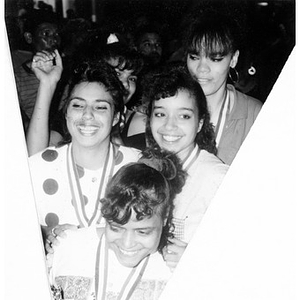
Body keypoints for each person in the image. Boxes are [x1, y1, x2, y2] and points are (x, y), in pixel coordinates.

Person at [28, 54, 141, 254]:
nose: (87, 115)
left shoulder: (138, 166)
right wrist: (43, 236)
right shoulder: (39, 167)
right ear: (66, 113)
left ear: (116, 117)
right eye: (78, 105)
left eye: (100, 107)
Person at [48, 148, 186, 300]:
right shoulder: (68, 247)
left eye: (142, 232)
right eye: (116, 228)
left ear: (165, 218)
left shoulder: (178, 265)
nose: (127, 244)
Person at [142, 63, 229, 270]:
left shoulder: (218, 178)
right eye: (161, 114)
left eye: (184, 116)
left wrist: (197, 259)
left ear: (200, 123)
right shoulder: (142, 167)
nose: (169, 126)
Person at [184, 12, 263, 165]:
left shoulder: (253, 114)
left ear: (233, 59)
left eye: (215, 59)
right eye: (194, 57)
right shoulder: (169, 105)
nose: (202, 69)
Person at [13, 10, 61, 131]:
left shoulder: (65, 72)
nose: (54, 40)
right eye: (46, 34)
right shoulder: (17, 78)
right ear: (29, 37)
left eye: (56, 34)